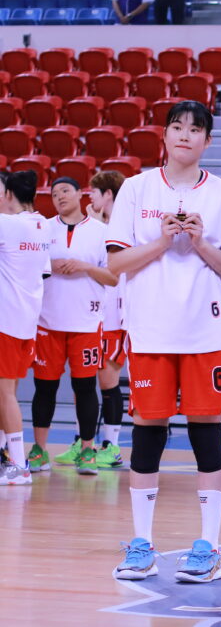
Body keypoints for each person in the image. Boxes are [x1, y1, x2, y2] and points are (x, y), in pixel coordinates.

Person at [107, 101, 221, 582]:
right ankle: (142, 544)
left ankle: (209, 546)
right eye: (177, 126)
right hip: (149, 330)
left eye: (195, 129)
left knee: (206, 430)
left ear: (208, 140)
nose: (185, 134)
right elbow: (116, 264)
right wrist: (163, 242)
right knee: (147, 431)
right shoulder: (136, 189)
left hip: (204, 331)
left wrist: (202, 243)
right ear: (165, 136)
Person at [28, 177, 117, 476]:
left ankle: (88, 451)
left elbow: (113, 278)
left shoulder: (102, 232)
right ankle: (39, 450)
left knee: (85, 387)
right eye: (54, 194)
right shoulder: (42, 230)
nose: (59, 197)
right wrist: (49, 266)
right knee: (45, 388)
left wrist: (85, 267)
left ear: (81, 194)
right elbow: (26, 269)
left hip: (86, 323)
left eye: (65, 191)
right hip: (47, 322)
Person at [0, 171, 50, 486]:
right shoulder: (42, 225)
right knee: (7, 392)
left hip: (6, 320)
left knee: (5, 394)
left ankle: (18, 467)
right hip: (26, 321)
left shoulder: (7, 224)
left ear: (8, 194)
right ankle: (8, 459)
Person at [88, 171, 129, 467]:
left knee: (108, 381)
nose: (89, 197)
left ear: (108, 195)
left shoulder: (124, 226)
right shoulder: (98, 226)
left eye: (94, 192)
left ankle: (112, 446)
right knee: (86, 381)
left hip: (117, 314)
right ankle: (86, 442)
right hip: (94, 314)